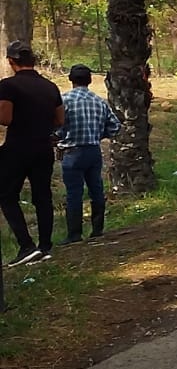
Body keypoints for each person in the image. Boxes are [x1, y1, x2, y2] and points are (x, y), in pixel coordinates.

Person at [0, 41, 63, 266]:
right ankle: (45, 246)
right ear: (32, 60)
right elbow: (59, 120)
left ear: (11, 61)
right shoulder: (50, 86)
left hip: (17, 148)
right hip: (43, 148)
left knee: (6, 196)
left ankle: (26, 245)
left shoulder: (8, 86)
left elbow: (5, 118)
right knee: (42, 197)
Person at [56, 64, 120, 243]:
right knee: (96, 190)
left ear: (71, 80)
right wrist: (99, 135)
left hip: (72, 152)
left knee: (74, 193)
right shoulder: (99, 101)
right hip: (93, 150)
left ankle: (74, 234)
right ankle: (97, 230)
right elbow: (115, 126)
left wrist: (58, 137)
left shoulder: (64, 100)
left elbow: (56, 126)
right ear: (90, 80)